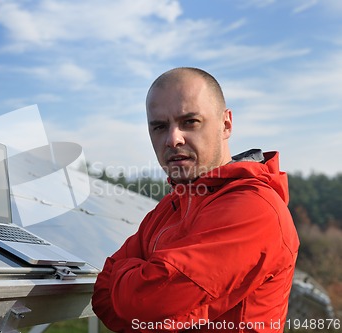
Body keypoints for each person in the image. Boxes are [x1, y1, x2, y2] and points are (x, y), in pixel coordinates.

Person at [92, 67, 299, 332]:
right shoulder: (170, 206)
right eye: (159, 126)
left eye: (190, 122)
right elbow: (103, 297)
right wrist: (138, 285)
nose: (172, 139)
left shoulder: (255, 210)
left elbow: (141, 305)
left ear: (226, 124)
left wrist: (133, 276)